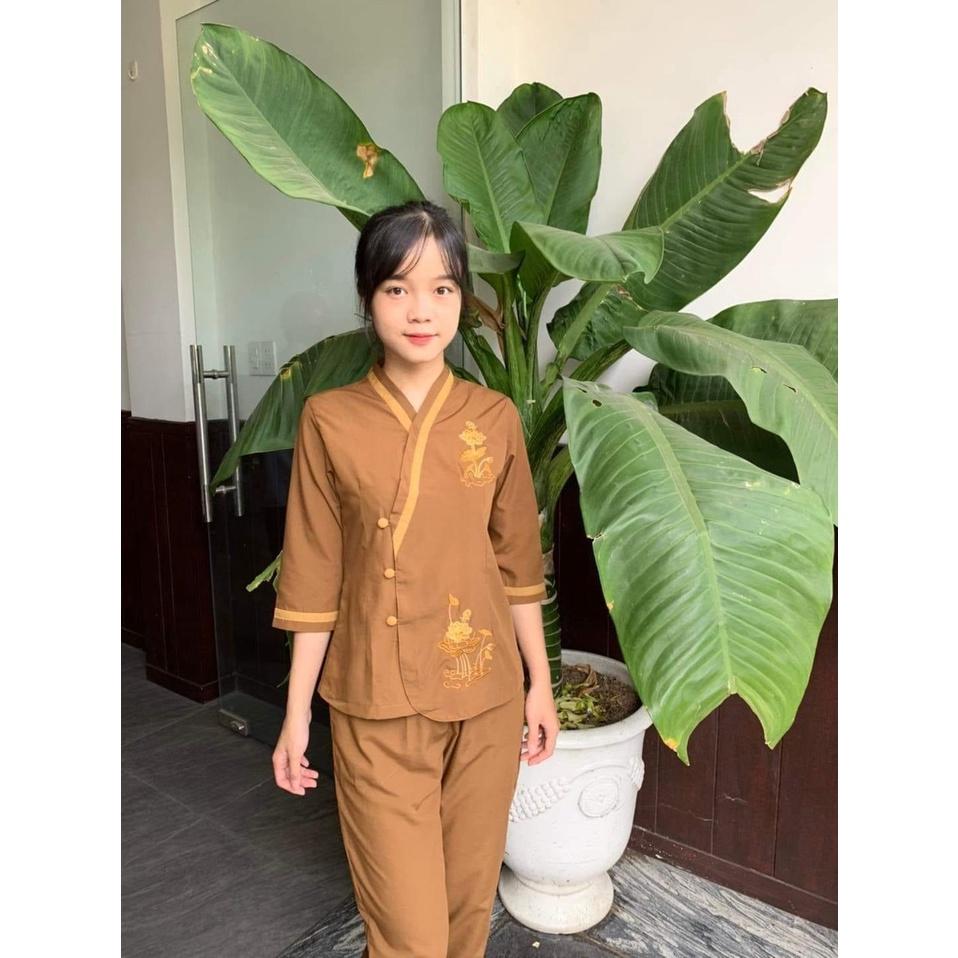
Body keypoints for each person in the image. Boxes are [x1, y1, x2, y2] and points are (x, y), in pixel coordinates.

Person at [270, 198, 559, 958]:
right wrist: (296, 715)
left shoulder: (493, 417)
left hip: (485, 694)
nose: (421, 310)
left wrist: (539, 684)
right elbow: (313, 574)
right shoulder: (329, 419)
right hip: (376, 700)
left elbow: (517, 565)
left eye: (442, 288)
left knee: (467, 912)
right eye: (397, 288)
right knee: (410, 934)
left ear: (462, 298)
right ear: (368, 299)